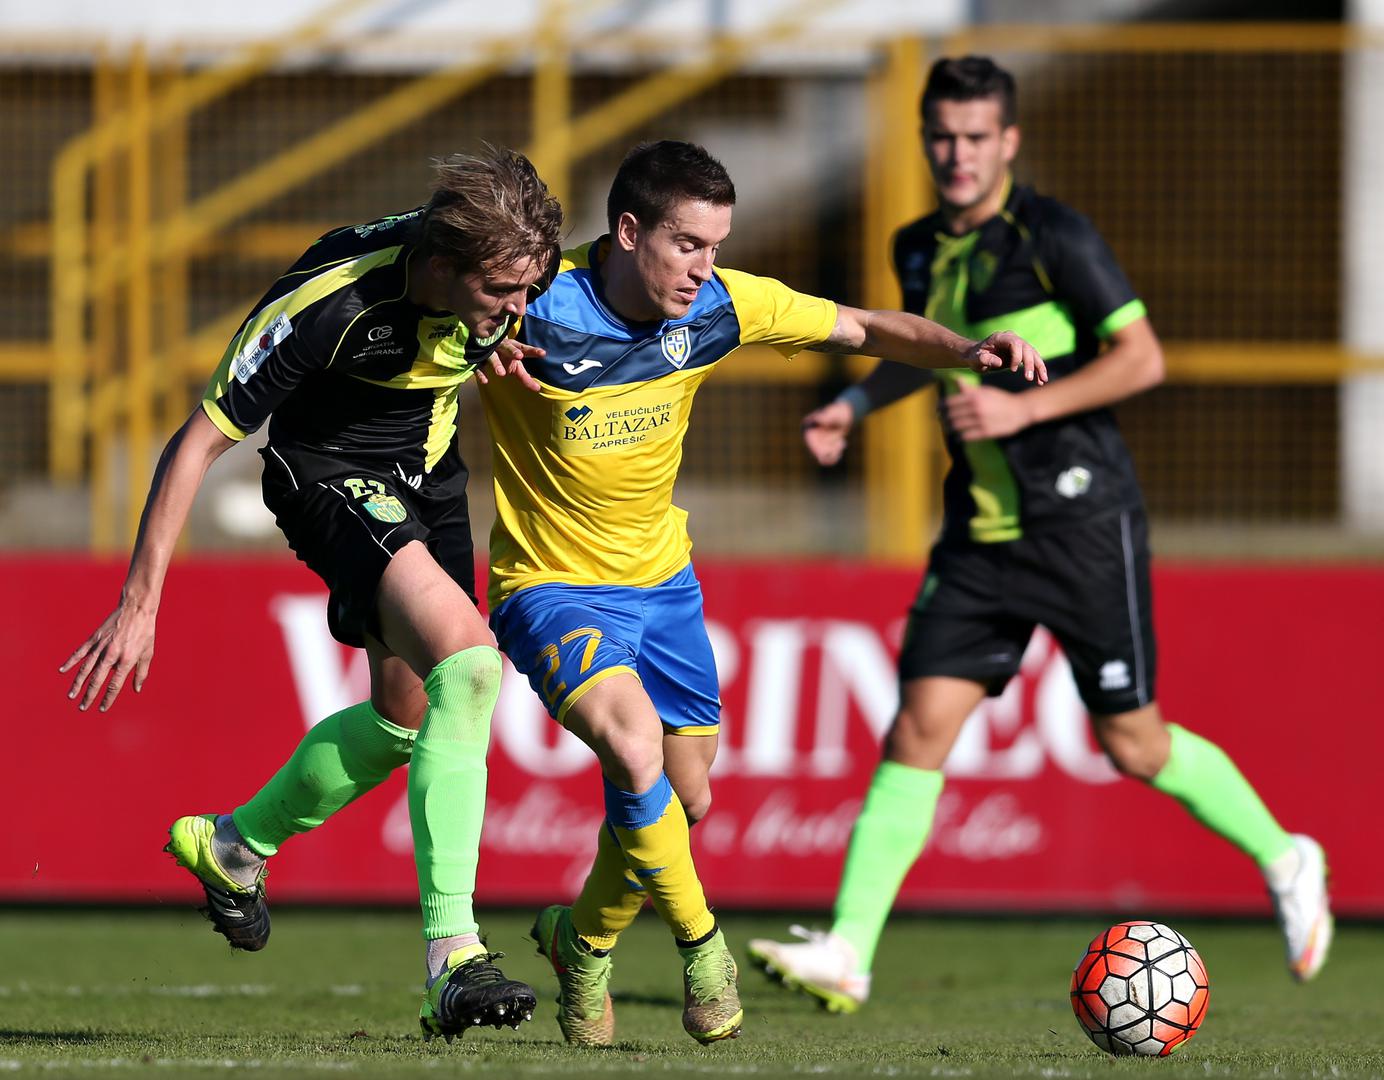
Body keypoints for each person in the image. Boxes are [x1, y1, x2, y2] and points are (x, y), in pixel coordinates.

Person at [746, 56, 1333, 1013]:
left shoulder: (1055, 234)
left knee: (1134, 744)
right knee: (918, 727)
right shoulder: (917, 245)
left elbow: (1142, 358)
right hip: (980, 536)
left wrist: (1026, 410)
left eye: (977, 137)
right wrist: (854, 405)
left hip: (1080, 523)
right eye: (943, 137)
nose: (958, 154)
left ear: (1009, 141)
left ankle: (1285, 854)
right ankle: (849, 952)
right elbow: (928, 351)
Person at [476, 138, 1045, 1048]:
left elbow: (864, 328)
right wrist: (476, 342)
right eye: (687, 244)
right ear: (629, 232)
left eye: (717, 245)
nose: (705, 267)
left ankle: (581, 943)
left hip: (663, 584)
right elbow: (430, 311)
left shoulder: (721, 305)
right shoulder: (531, 303)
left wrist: (971, 351)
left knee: (687, 799)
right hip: (550, 585)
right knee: (635, 750)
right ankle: (704, 950)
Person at [59, 148, 562, 1042]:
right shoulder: (329, 303)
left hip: (431, 477)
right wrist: (141, 601)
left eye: (530, 288)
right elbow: (196, 442)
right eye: (501, 291)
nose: (520, 304)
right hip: (329, 475)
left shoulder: (505, 281)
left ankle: (231, 847)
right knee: (472, 667)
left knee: (409, 719)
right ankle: (455, 958)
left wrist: (496, 337)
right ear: (439, 263)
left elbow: (492, 316)